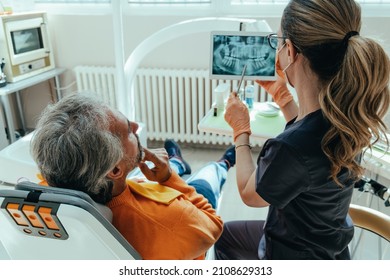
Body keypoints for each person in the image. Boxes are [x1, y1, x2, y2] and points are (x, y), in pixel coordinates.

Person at [215, 0, 389, 260]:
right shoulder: (348, 117)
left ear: (291, 51)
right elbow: (310, 134)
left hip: (292, 255)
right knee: (230, 234)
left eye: (279, 41)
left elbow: (249, 193)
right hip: (330, 248)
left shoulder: (288, 149)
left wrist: (241, 131)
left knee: (222, 237)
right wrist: (283, 97)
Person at [30, 92, 236, 260]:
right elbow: (214, 225)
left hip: (140, 188)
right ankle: (222, 164)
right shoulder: (173, 218)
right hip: (190, 206)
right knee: (206, 178)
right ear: (115, 171)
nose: (136, 126)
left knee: (163, 165)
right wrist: (168, 178)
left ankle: (176, 161)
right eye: (128, 130)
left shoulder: (49, 206)